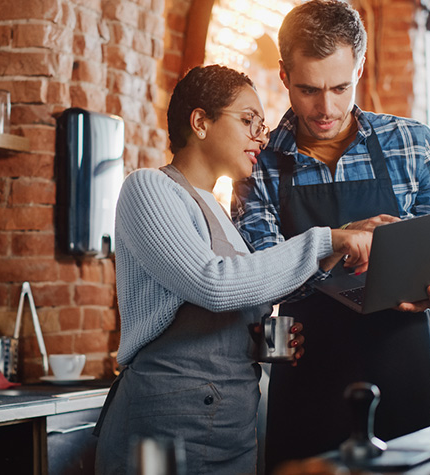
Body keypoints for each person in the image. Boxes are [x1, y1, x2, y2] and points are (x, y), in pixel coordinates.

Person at [232, 0, 430, 469]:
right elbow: (258, 276)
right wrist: (339, 240)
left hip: (404, 363)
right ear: (284, 75)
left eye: (340, 87)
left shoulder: (414, 145)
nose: (326, 108)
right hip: (309, 372)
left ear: (360, 68)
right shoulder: (256, 164)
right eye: (308, 89)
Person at [93, 64, 373, 474]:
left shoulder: (220, 213)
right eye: (248, 121)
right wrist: (326, 240)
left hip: (230, 432)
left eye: (262, 125)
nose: (261, 135)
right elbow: (213, 283)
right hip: (166, 431)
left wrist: (256, 340)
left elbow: (223, 303)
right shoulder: (149, 188)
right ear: (200, 122)